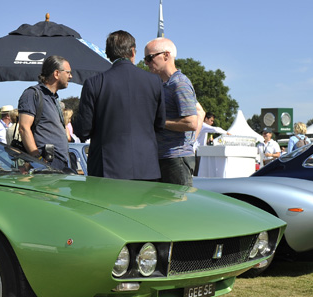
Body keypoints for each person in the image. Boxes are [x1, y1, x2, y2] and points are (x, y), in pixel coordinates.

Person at [73, 30, 165, 180]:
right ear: (133, 51)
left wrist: (74, 121)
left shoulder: (94, 83)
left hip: (107, 168)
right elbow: (160, 124)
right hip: (146, 167)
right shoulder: (154, 82)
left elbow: (83, 129)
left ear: (108, 54)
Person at [144, 37, 198, 186]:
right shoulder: (166, 84)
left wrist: (159, 122)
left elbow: (191, 122)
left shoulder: (179, 83)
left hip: (176, 158)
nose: (146, 63)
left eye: (149, 58)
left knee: (178, 207)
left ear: (166, 55)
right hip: (165, 157)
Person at [17, 55, 72, 171]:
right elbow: (23, 127)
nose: (70, 76)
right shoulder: (32, 94)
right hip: (47, 163)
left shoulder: (53, 99)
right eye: (68, 72)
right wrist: (38, 159)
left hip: (59, 162)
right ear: (56, 73)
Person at [193, 111, 228, 176]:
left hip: (200, 151)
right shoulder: (203, 125)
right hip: (197, 152)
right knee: (197, 171)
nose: (212, 123)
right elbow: (215, 129)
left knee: (198, 171)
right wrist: (226, 133)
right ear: (206, 119)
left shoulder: (202, 126)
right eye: (211, 120)